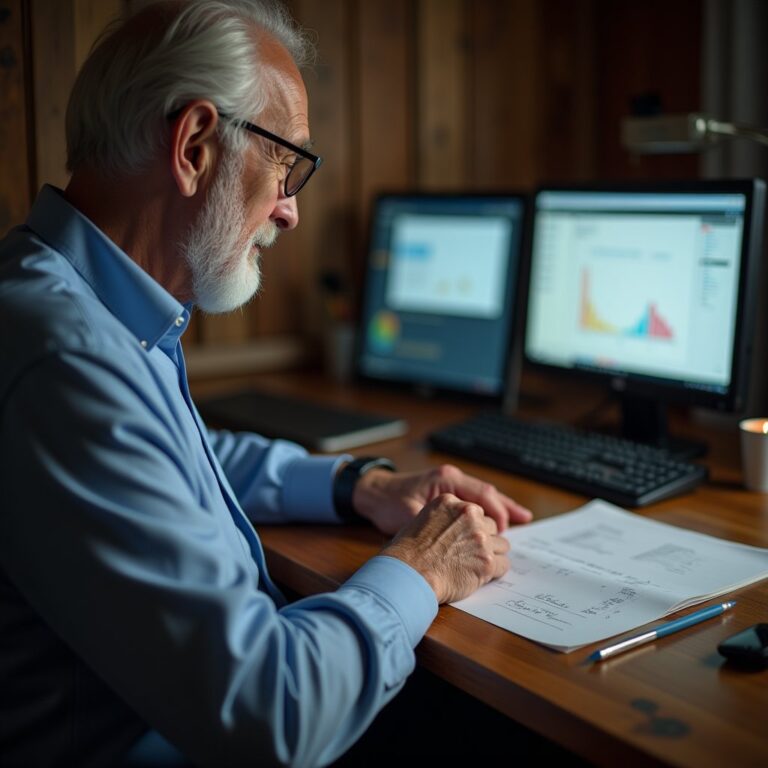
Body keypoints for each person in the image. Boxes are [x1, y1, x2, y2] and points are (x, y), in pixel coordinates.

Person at [0, 1, 532, 765]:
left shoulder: (73, 303)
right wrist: (422, 567)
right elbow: (268, 713)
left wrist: (358, 485)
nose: (288, 210)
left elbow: (173, 460)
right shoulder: (66, 361)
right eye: (287, 163)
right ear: (194, 146)